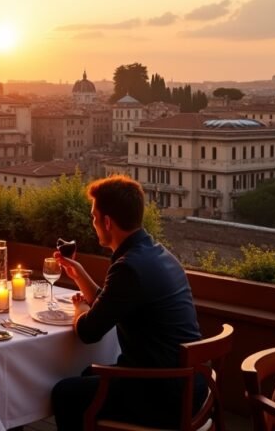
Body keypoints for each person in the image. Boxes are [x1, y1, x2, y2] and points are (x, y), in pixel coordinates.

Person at [51, 176, 203, 429]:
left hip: (163, 395)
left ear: (107, 222)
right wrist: (79, 275)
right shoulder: (156, 253)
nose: (93, 223)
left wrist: (80, 309)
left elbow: (89, 331)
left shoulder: (129, 267)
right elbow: (113, 303)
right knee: (89, 374)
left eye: (93, 217)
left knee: (65, 393)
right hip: (192, 384)